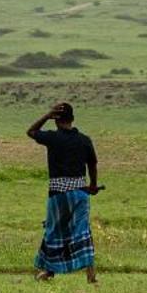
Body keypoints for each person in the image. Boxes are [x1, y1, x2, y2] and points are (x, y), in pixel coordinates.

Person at [26, 101, 99, 282]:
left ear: (56, 121)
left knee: (54, 231)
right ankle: (90, 274)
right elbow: (92, 164)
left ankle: (49, 272)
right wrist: (93, 185)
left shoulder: (53, 138)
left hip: (58, 194)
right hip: (81, 193)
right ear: (72, 119)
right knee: (82, 230)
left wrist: (47, 115)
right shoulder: (84, 140)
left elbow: (31, 132)